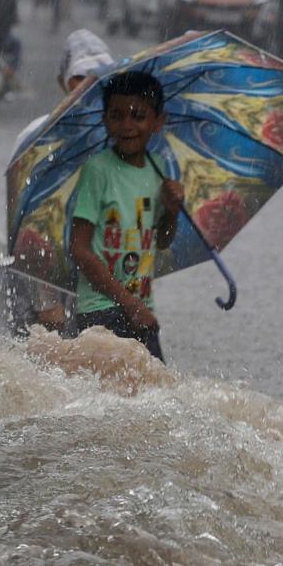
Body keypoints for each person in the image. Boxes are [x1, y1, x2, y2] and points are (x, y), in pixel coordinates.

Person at [7, 29, 116, 334]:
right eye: (80, 77)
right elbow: (28, 225)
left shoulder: (125, 139)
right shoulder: (37, 140)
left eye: (100, 76)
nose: (89, 85)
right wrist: (46, 302)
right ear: (62, 83)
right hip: (48, 274)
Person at [69, 71, 183, 361]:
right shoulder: (98, 170)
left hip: (139, 307)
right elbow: (79, 249)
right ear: (105, 120)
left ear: (158, 122)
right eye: (117, 116)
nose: (127, 125)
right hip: (100, 309)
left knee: (157, 394)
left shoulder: (158, 169)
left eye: (138, 115)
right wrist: (128, 303)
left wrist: (172, 211)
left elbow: (162, 241)